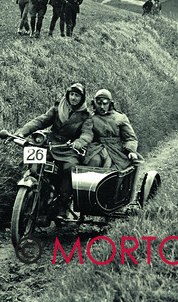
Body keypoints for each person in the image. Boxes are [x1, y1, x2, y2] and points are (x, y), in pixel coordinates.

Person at [14, 83, 93, 219]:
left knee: (70, 169)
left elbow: (87, 133)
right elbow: (41, 121)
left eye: (77, 95)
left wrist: (79, 142)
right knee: (34, 163)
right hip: (51, 144)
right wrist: (22, 132)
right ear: (67, 95)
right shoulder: (57, 108)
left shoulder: (86, 116)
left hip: (69, 148)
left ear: (82, 98)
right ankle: (31, 195)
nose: (73, 98)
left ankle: (62, 207)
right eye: (72, 94)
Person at [84, 89, 139, 171]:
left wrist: (131, 151)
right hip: (96, 149)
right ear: (94, 103)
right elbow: (85, 135)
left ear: (110, 104)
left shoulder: (120, 117)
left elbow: (130, 138)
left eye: (105, 103)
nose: (102, 107)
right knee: (93, 162)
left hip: (117, 151)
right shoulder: (90, 118)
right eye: (99, 103)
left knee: (114, 171)